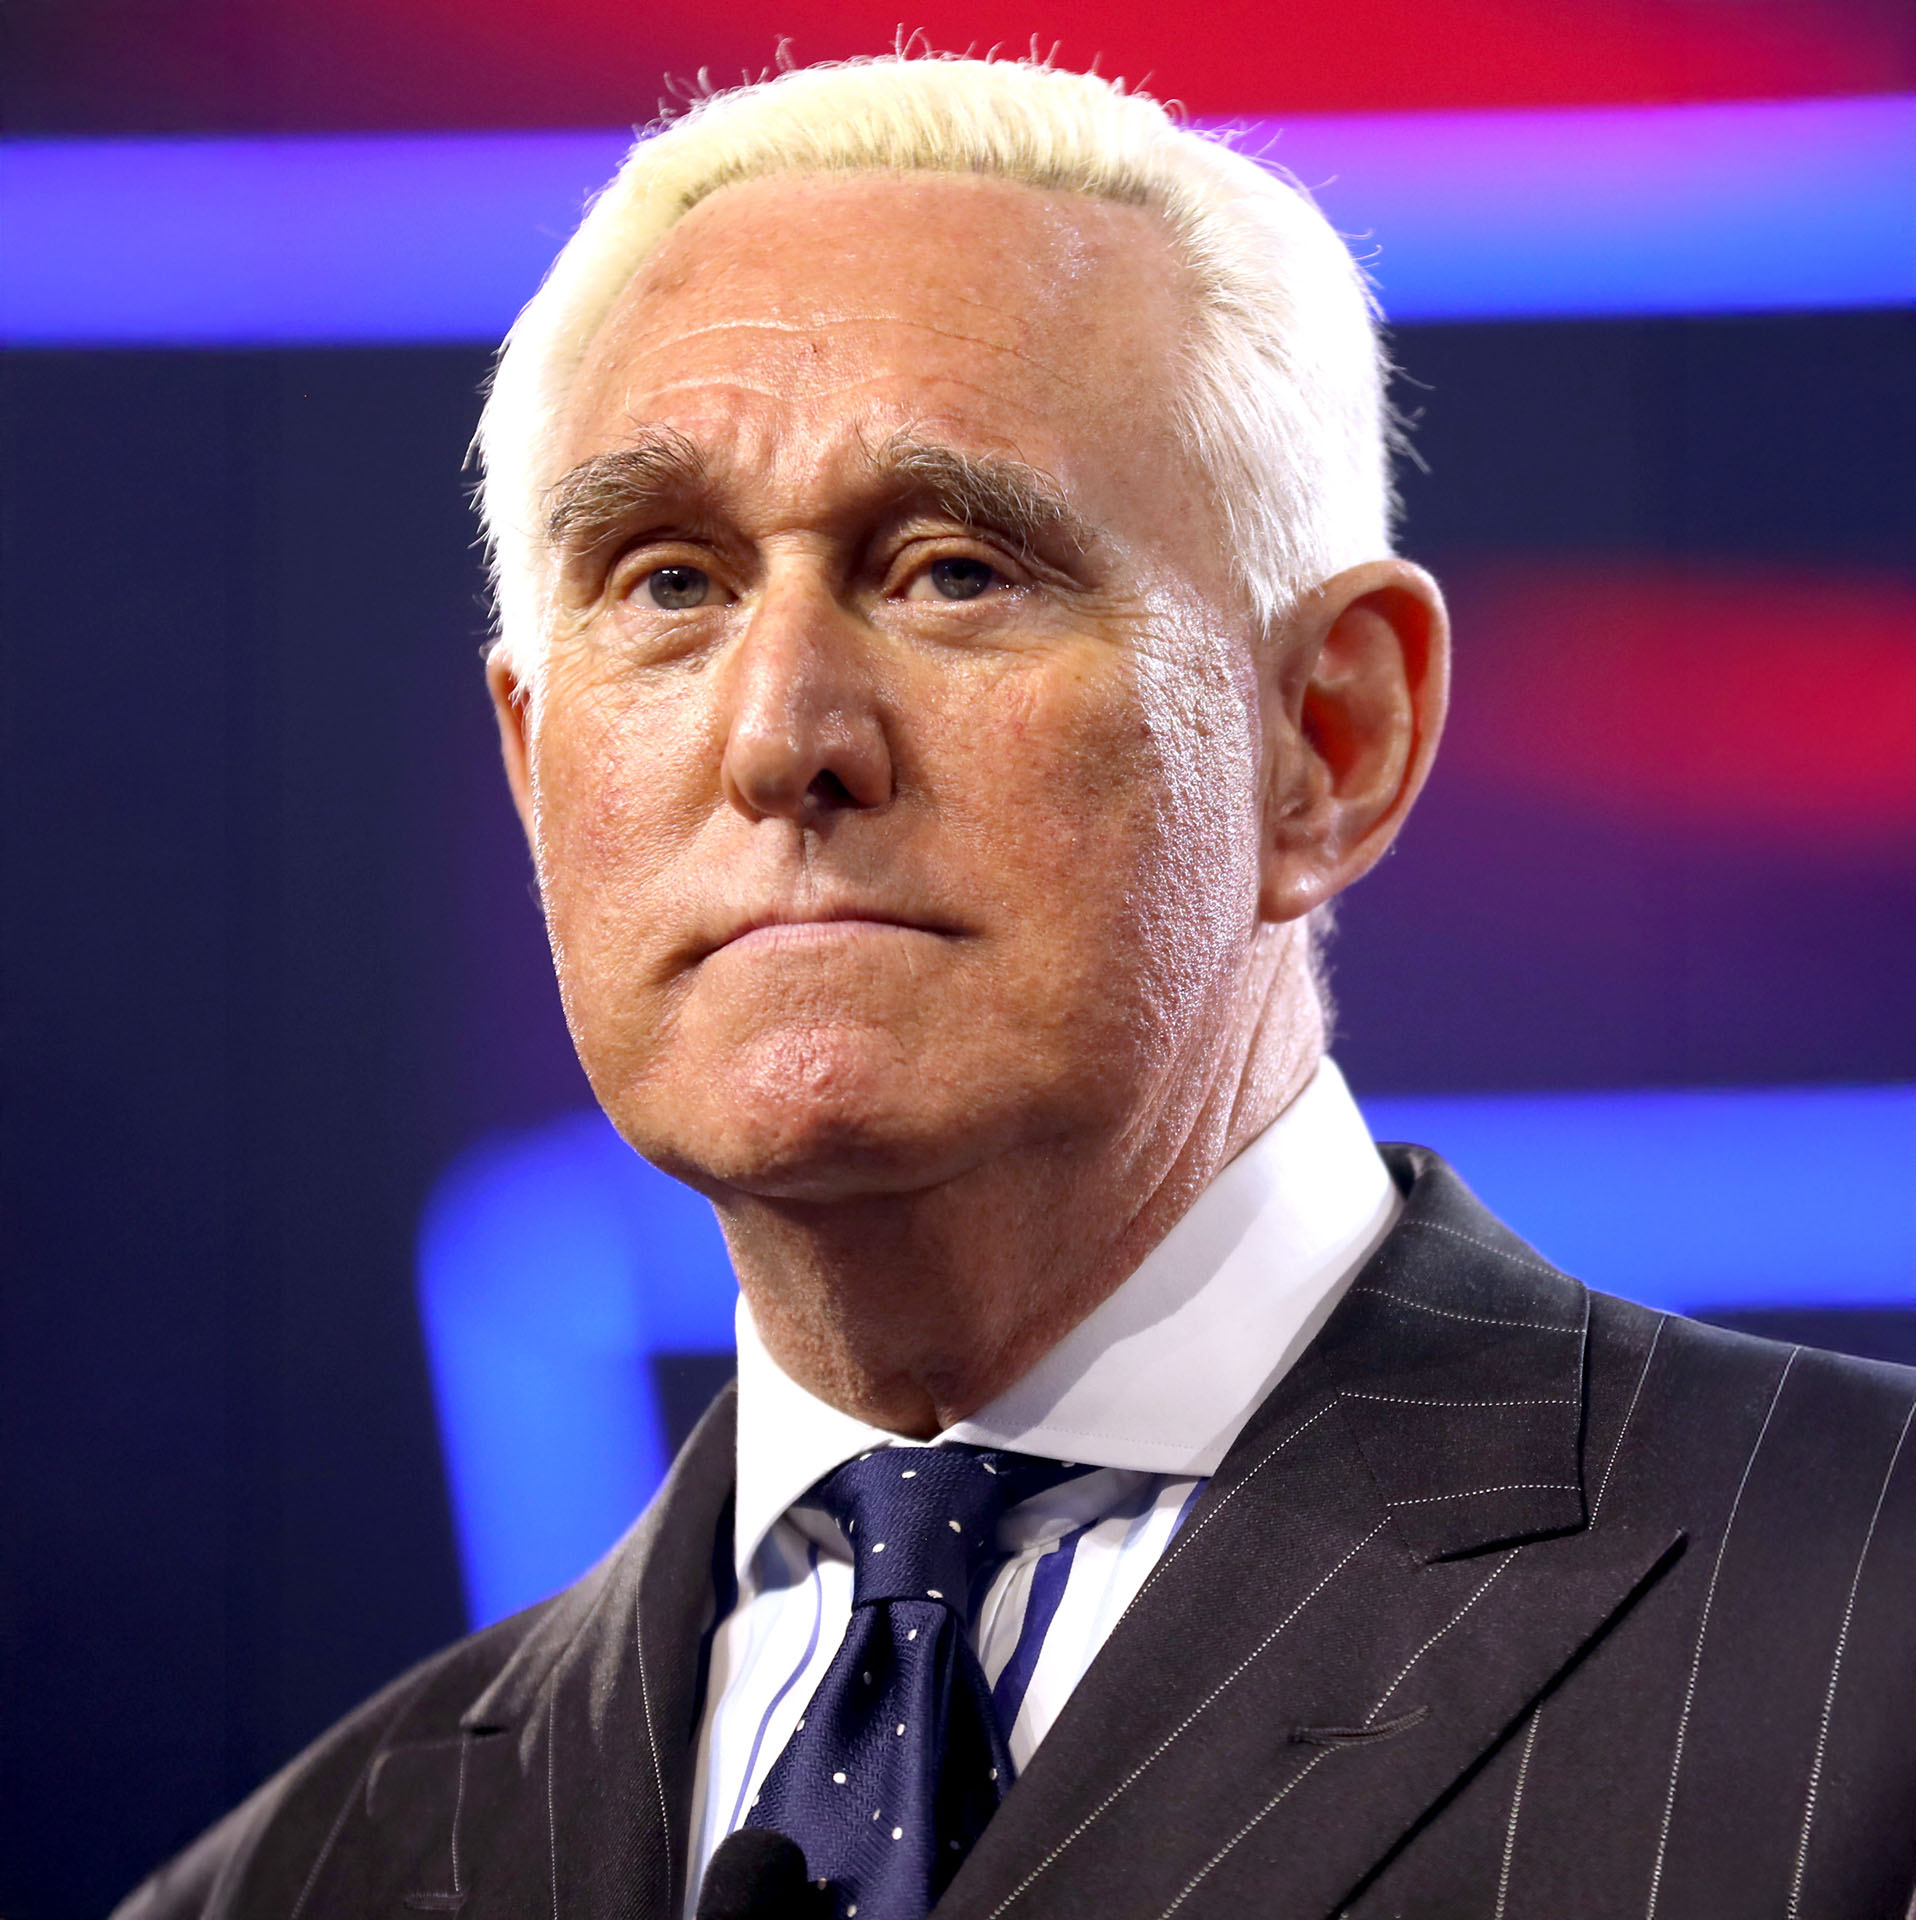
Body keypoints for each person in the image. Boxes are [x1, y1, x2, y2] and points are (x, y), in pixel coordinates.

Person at [117, 54, 1915, 1920]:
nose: (781, 737)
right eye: (667, 587)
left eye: (954, 570)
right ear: (534, 769)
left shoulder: (1870, 1632)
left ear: (1330, 736)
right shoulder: (287, 1889)